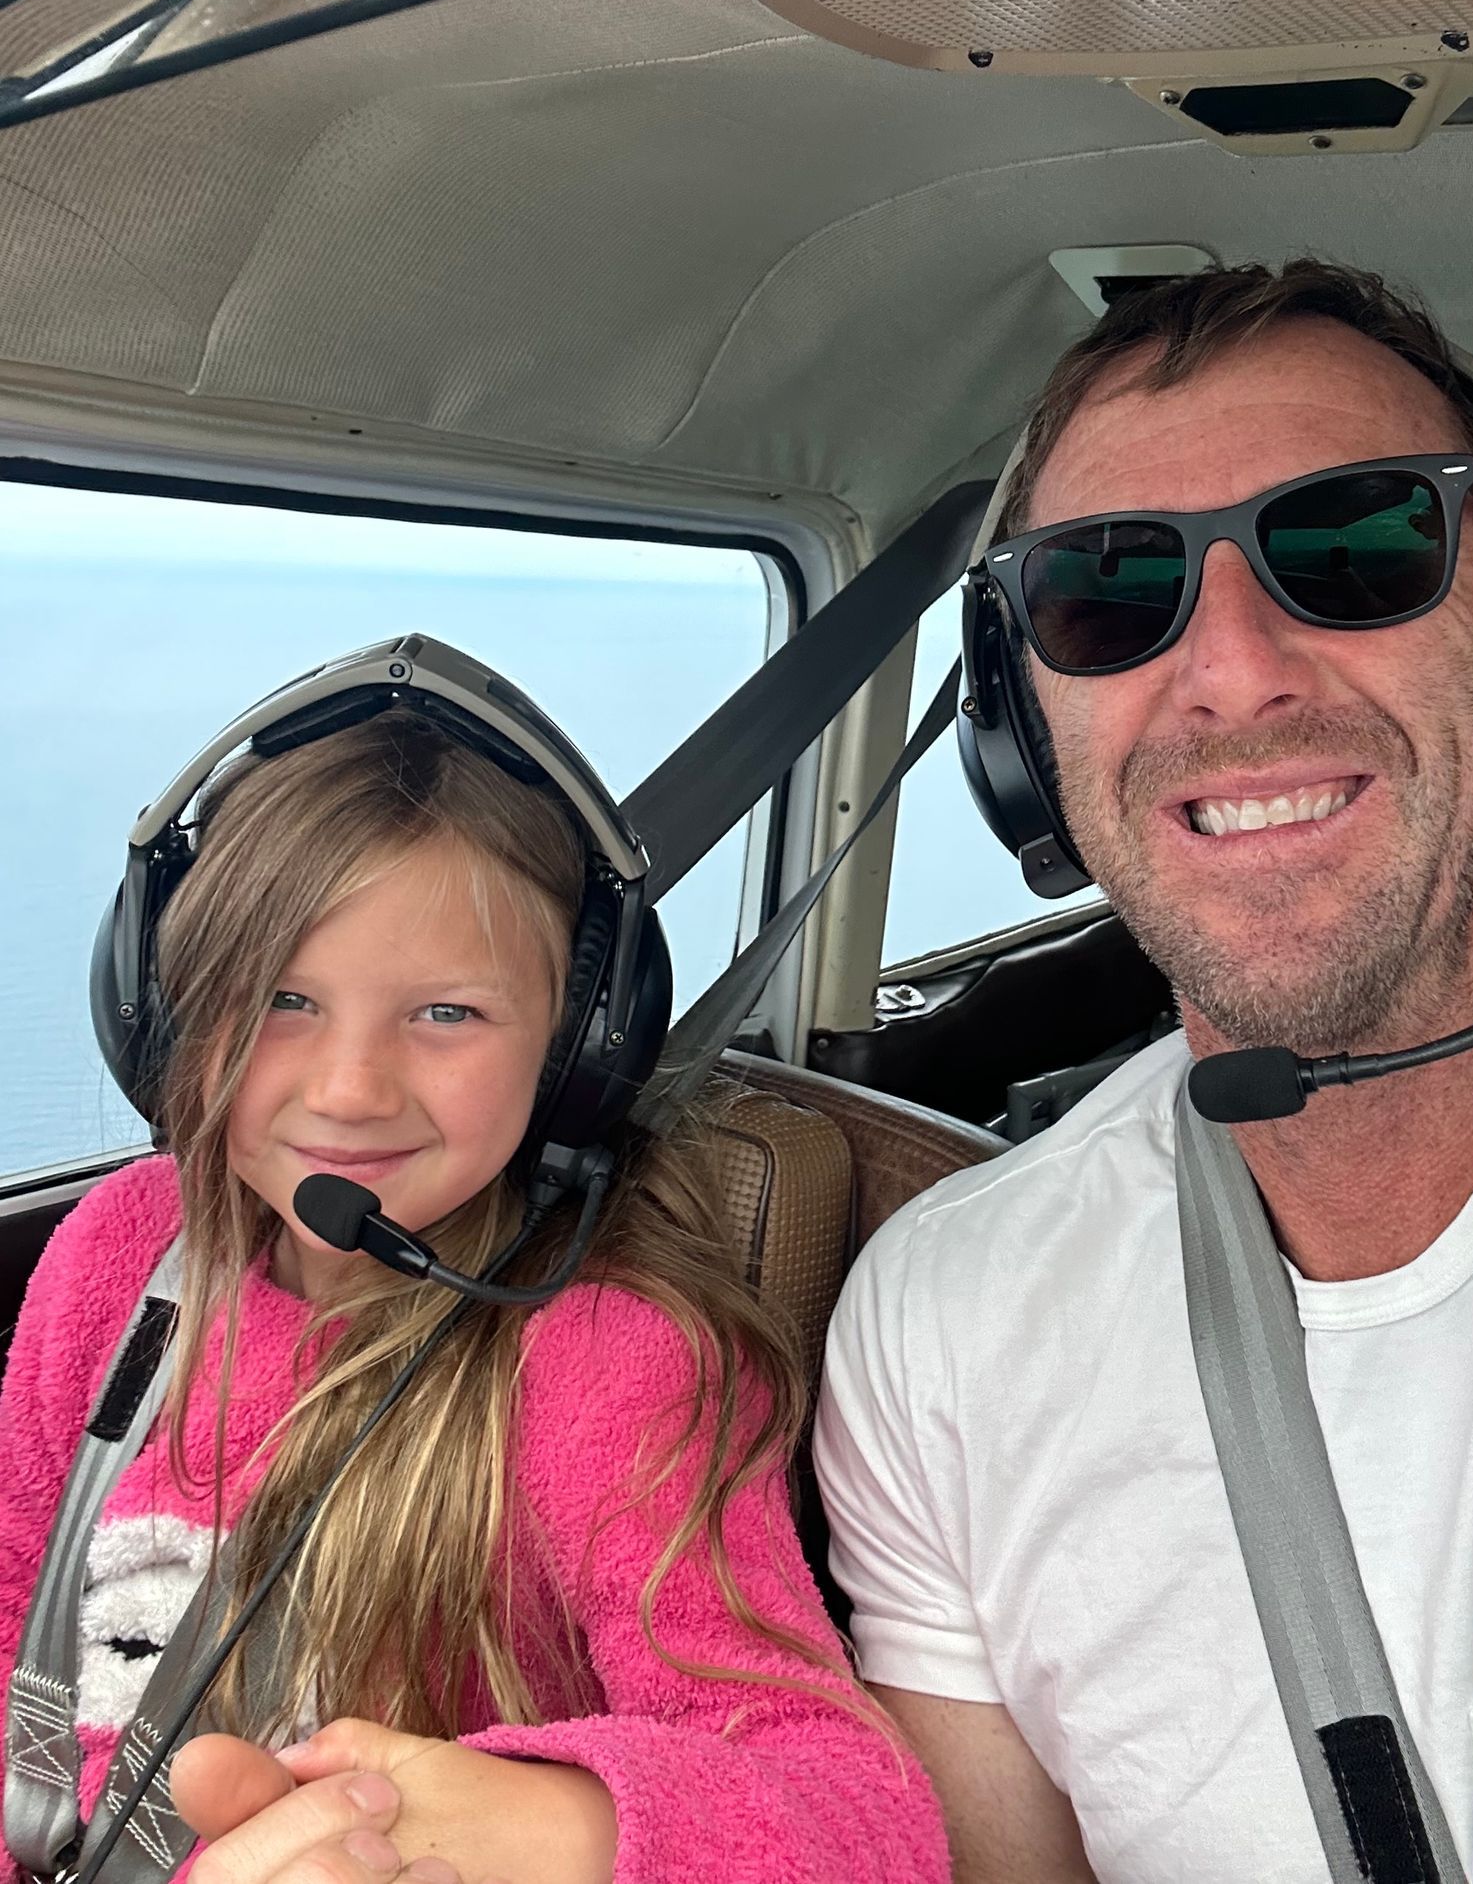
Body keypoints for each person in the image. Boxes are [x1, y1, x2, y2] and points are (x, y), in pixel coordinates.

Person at [814, 260, 1473, 1883]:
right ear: (1019, 736)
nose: (1233, 670)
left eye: (1358, 548)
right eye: (1105, 592)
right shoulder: (940, 1323)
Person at [0, 678, 947, 1884]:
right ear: (165, 1014)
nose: (348, 1087)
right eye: (282, 1000)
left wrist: (561, 1828)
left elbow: (863, 1817)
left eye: (446, 1012)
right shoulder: (123, 1252)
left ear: (576, 1054)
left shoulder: (609, 1361)